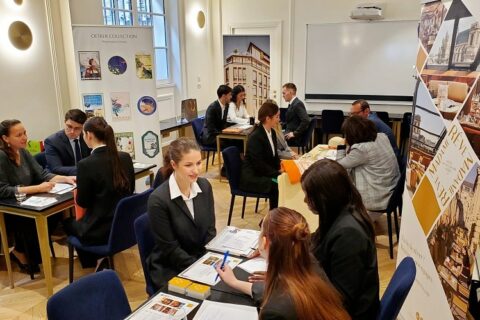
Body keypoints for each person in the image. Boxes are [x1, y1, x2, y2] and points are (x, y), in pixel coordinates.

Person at [216, 207, 350, 320]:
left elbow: (281, 298)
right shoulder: (308, 261)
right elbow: (278, 292)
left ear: (264, 242)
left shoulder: (275, 311)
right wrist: (235, 282)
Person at [301, 159, 380, 320]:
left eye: (309, 195)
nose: (305, 201)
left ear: (325, 197)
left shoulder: (348, 234)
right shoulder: (338, 213)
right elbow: (315, 241)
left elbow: (341, 299)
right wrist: (284, 242)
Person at [0, 119, 75, 274]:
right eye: (18, 135)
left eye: (25, 133)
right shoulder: (1, 157)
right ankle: (22, 253)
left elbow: (43, 174)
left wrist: (66, 178)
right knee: (32, 223)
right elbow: (3, 190)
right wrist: (36, 188)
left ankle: (25, 252)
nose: (24, 137)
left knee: (55, 215)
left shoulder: (24, 151)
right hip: (10, 208)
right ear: (5, 138)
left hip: (28, 202)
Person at [63, 116, 134, 267]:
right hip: (124, 227)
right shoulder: (125, 157)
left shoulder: (86, 164)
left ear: (89, 135)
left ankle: (92, 263)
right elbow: (131, 189)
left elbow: (83, 202)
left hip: (100, 230)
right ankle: (99, 261)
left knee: (68, 223)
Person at [147, 137, 216, 291]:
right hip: (171, 267)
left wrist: (210, 262)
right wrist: (201, 269)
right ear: (174, 165)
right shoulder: (158, 200)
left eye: (198, 163)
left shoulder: (204, 187)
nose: (196, 170)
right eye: (188, 165)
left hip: (200, 261)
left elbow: (210, 231)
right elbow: (171, 250)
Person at [337, 116, 399, 213]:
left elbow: (339, 165)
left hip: (377, 199)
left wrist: (341, 146)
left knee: (339, 189)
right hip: (392, 192)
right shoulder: (382, 136)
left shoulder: (361, 149)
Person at [240, 101, 282, 210]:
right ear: (268, 118)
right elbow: (258, 165)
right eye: (277, 117)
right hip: (253, 176)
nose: (279, 120)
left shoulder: (271, 132)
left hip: (263, 173)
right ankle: (273, 217)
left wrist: (281, 167)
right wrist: (277, 173)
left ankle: (278, 214)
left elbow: (274, 156)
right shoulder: (255, 137)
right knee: (277, 184)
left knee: (283, 181)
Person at [44, 109, 91, 175]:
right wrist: (84, 169)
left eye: (77, 128)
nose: (72, 131)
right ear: (64, 122)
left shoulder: (87, 137)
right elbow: (56, 168)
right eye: (69, 126)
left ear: (83, 127)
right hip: (63, 179)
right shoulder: (52, 141)